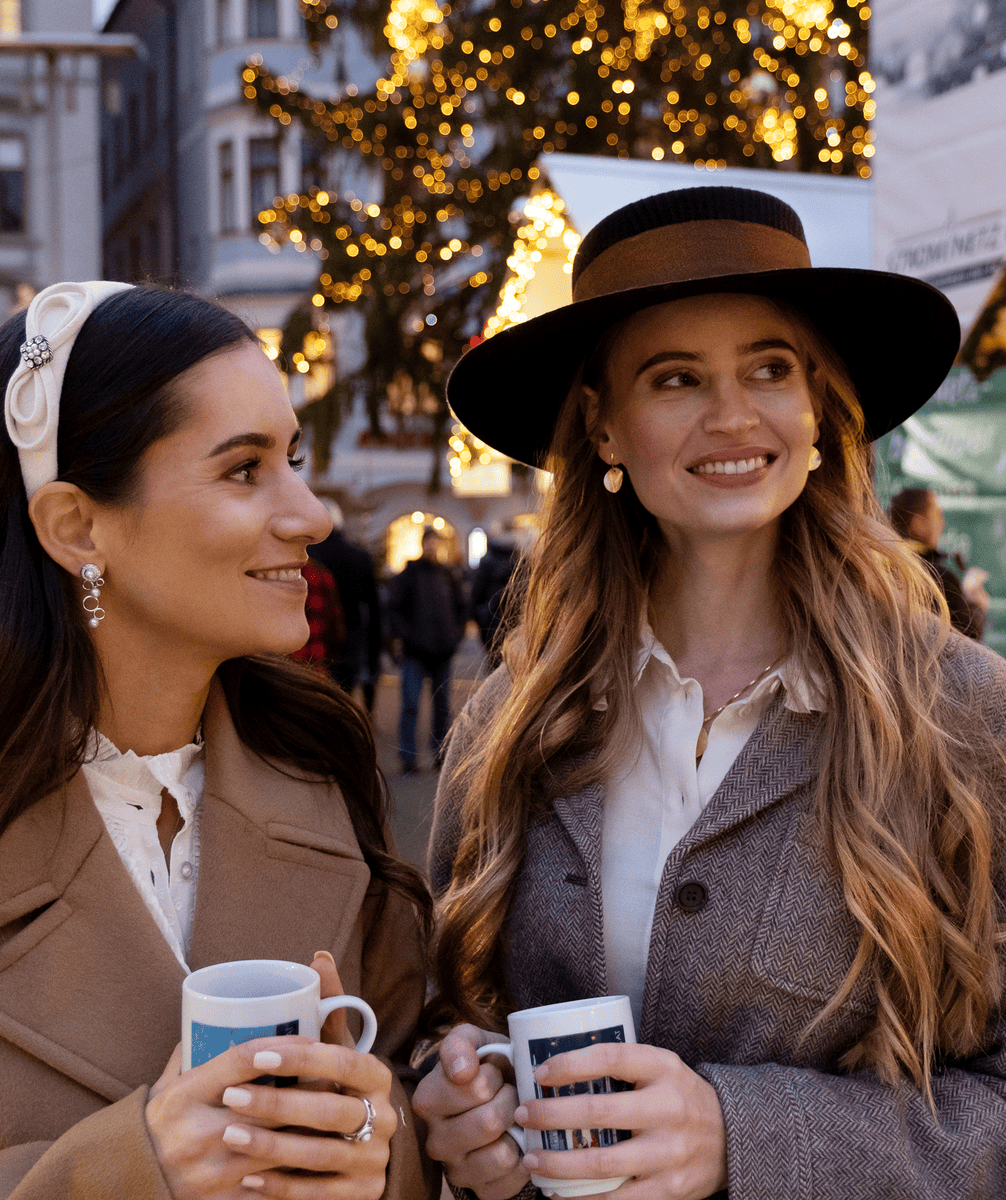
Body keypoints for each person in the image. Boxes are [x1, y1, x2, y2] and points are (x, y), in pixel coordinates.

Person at [412, 187, 1006, 1199]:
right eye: (675, 378)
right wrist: (452, 1101)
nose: (732, 416)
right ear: (603, 427)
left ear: (819, 403)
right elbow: (447, 1011)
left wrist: (742, 1135)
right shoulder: (513, 711)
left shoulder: (959, 710)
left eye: (769, 368)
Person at [0, 282, 436, 1200]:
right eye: (244, 469)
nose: (313, 514)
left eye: (292, 458)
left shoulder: (324, 786)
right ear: (77, 526)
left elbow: (403, 1103)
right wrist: (125, 1174)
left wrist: (383, 1150)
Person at [387, 527, 468, 774]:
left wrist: (455, 636)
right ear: (423, 544)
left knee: (442, 705)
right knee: (410, 704)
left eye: (435, 542)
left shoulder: (447, 574)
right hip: (415, 651)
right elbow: (394, 609)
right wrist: (407, 636)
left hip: (442, 650)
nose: (432, 546)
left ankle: (441, 753)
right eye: (429, 542)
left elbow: (461, 607)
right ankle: (408, 756)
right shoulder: (410, 574)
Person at [887, 486, 989, 640]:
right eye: (937, 515)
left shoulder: (886, 568)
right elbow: (968, 639)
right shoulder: (937, 577)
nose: (942, 523)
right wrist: (976, 606)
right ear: (918, 524)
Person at [311, 501, 383, 712]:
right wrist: (374, 649)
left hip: (316, 634)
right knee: (345, 694)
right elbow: (373, 605)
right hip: (352, 634)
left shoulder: (309, 556)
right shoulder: (359, 557)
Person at [470, 525, 524, 670]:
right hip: (517, 624)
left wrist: (481, 619)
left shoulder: (488, 560)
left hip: (491, 622)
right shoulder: (521, 560)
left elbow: (476, 595)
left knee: (495, 668)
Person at [291, 554, 347, 671]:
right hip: (317, 659)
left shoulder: (280, 574)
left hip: (289, 660)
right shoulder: (319, 573)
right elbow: (335, 624)